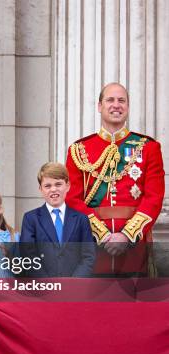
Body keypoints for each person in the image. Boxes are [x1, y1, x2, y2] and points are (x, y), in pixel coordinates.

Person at [65, 83, 165, 275]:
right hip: (92, 247)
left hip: (134, 249)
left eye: (122, 101)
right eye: (110, 100)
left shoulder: (148, 148)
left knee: (133, 303)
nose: (116, 105)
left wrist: (127, 235)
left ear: (127, 107)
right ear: (99, 106)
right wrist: (102, 235)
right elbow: (72, 199)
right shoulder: (79, 150)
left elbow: (153, 198)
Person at [20, 162, 96, 277]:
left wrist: (73, 284)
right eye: (48, 186)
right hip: (43, 289)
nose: (53, 189)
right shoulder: (31, 219)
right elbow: (28, 256)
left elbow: (88, 256)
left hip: (74, 289)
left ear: (68, 186)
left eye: (58, 184)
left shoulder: (81, 219)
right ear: (40, 189)